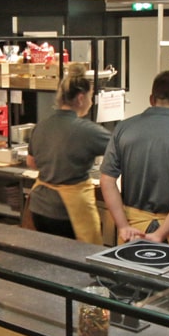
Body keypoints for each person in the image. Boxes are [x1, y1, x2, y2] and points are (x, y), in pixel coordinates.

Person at [99, 71, 169, 247]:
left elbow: (107, 182)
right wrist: (160, 234)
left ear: (151, 99)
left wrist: (123, 226)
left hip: (132, 231)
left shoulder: (123, 128)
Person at [25, 67, 111, 244]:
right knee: (77, 258)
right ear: (80, 98)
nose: (91, 102)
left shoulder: (41, 125)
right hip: (68, 212)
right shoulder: (87, 131)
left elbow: (31, 162)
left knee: (49, 254)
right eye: (90, 96)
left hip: (39, 208)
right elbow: (121, 148)